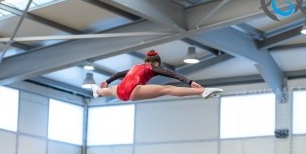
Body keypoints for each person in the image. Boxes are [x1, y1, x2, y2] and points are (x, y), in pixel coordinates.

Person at [91, 49, 223, 101]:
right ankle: (202, 92)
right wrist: (190, 82)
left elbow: (119, 74)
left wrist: (107, 81)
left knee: (109, 90)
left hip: (120, 91)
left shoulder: (135, 67)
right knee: (167, 89)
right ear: (157, 63)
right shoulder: (153, 68)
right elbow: (170, 73)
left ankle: (98, 91)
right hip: (133, 91)